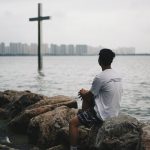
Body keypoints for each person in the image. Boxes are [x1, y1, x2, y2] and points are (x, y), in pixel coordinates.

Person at [69, 48, 123, 150]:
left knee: (72, 123)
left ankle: (73, 148)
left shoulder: (100, 77)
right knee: (88, 95)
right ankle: (85, 118)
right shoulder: (118, 75)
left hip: (102, 115)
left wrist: (83, 93)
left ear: (99, 60)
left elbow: (88, 96)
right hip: (114, 113)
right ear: (111, 60)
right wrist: (86, 93)